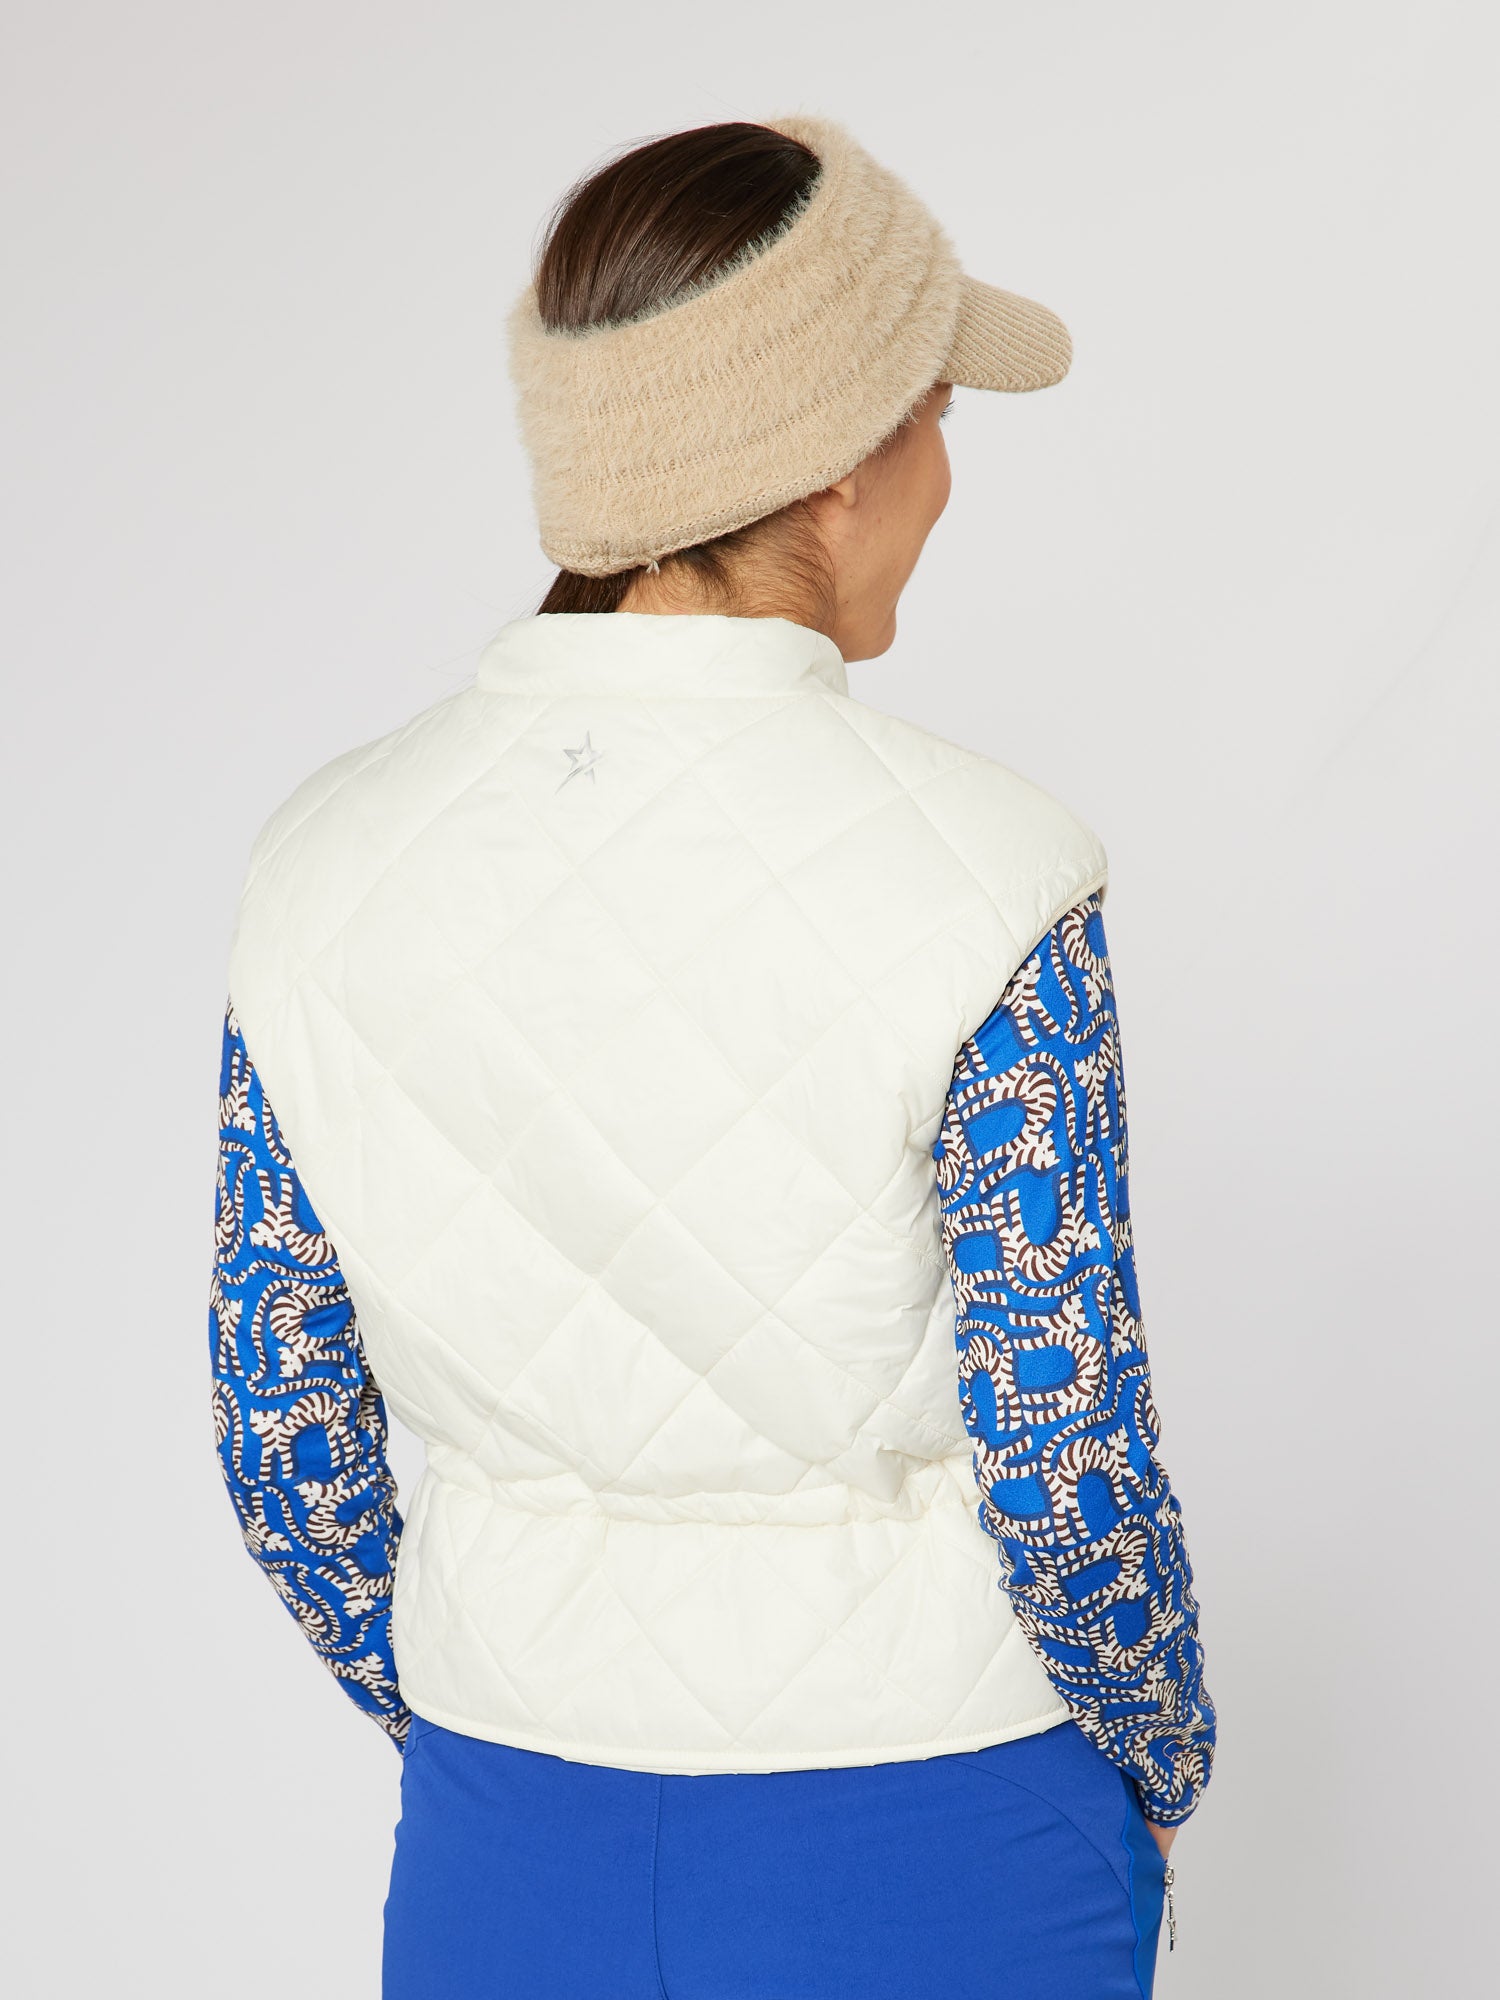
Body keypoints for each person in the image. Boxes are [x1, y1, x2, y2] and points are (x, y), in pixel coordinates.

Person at [209, 112, 1215, 1999]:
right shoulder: (996, 875)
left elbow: (282, 1432)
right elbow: (1064, 1451)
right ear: (842, 458)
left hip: (509, 1833)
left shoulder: (318, 865)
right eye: (937, 416)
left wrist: (474, 1710)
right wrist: (1161, 1760)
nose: (944, 477)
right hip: (950, 1827)